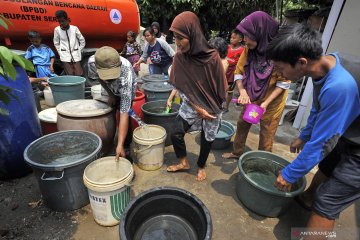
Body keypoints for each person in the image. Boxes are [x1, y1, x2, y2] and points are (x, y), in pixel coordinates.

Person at [268, 23, 360, 239]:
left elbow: (323, 142)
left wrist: (290, 173)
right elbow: (319, 108)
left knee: (327, 201)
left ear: (301, 62)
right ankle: (307, 199)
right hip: (351, 127)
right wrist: (304, 135)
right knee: (328, 163)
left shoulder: (340, 86)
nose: (279, 73)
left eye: (281, 68)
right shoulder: (325, 65)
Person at [166, 11, 227, 181]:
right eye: (175, 38)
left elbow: (220, 88)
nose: (177, 43)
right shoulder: (179, 58)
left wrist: (212, 110)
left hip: (213, 107)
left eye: (180, 38)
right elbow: (183, 89)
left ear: (193, 34)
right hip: (191, 103)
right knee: (176, 132)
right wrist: (197, 107)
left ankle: (201, 166)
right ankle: (183, 162)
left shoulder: (213, 57)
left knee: (207, 138)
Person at [222, 11, 290, 160]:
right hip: (252, 95)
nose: (244, 40)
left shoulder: (281, 52)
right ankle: (237, 152)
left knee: (267, 132)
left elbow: (284, 83)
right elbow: (239, 72)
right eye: (244, 35)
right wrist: (243, 92)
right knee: (242, 123)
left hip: (272, 101)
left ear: (262, 33)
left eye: (248, 36)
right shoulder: (249, 49)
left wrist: (265, 104)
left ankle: (261, 161)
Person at [89, 46, 137, 161]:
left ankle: (125, 146)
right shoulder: (92, 63)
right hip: (109, 89)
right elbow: (98, 78)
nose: (110, 78)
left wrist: (119, 145)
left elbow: (124, 113)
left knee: (125, 114)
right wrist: (110, 94)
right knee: (111, 110)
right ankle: (111, 139)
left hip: (127, 87)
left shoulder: (126, 71)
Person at [54, 10, 86, 76]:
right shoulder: (57, 30)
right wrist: (60, 53)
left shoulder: (74, 28)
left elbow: (82, 40)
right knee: (70, 74)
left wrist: (79, 50)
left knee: (79, 73)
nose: (61, 23)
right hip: (65, 56)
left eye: (62, 21)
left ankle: (80, 86)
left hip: (75, 54)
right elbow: (56, 43)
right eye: (59, 21)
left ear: (67, 20)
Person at [224, 29, 245, 112]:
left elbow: (241, 63)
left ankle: (226, 107)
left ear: (240, 40)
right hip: (225, 70)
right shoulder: (228, 47)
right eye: (231, 37)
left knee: (229, 90)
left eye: (234, 38)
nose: (231, 39)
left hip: (233, 73)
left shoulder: (242, 50)